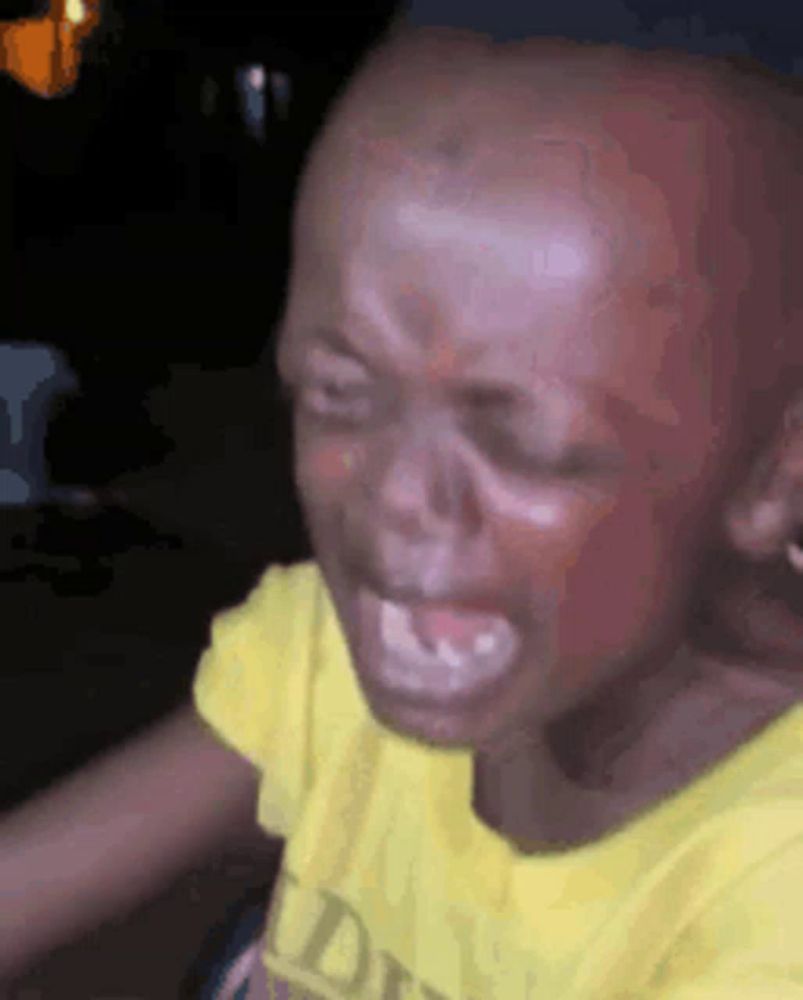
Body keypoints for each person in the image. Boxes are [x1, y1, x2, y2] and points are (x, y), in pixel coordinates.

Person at [4, 18, 803, 1000]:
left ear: (772, 472)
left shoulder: (771, 899)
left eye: (525, 441)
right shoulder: (339, 653)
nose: (392, 501)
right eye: (339, 394)